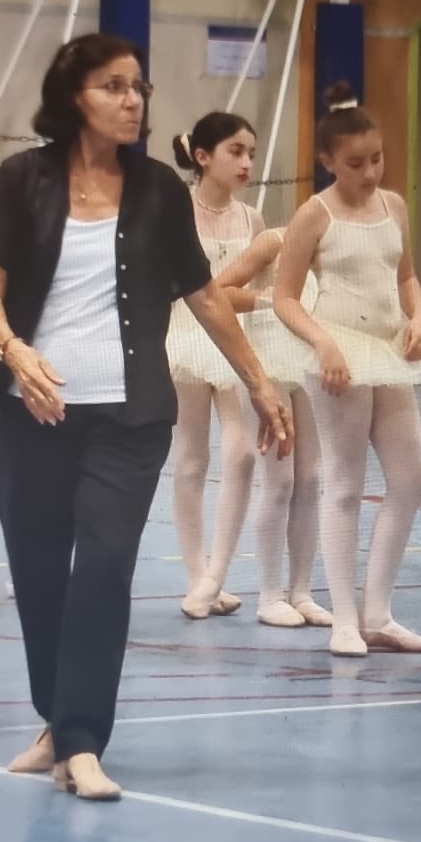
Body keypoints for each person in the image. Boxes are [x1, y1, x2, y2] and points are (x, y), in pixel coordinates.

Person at [0, 34, 290, 800]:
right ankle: (57, 720)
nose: (132, 99)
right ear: (74, 96)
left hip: (131, 415)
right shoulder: (23, 179)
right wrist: (14, 351)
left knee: (104, 571)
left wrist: (260, 381)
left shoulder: (157, 190)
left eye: (138, 86)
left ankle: (81, 742)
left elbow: (203, 294)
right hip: (34, 410)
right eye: (113, 85)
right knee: (39, 573)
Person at [275, 84, 421, 656]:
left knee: (411, 478)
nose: (370, 172)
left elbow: (406, 276)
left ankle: (378, 613)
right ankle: (344, 618)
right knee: (345, 483)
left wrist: (419, 317)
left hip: (387, 352)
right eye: (355, 164)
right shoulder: (314, 214)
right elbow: (285, 297)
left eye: (377, 159)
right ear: (328, 161)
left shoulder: (393, 206)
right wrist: (323, 343)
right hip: (339, 356)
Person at [167, 111, 267, 619]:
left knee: (243, 454)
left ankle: (214, 578)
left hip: (234, 344)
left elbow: (254, 291)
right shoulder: (176, 211)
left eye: (251, 153)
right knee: (191, 459)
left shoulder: (253, 220)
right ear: (203, 157)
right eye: (236, 151)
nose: (246, 162)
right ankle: (196, 575)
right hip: (183, 340)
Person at [225, 225, 328, 628]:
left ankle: (301, 591)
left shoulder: (330, 248)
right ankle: (270, 595)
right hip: (268, 366)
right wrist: (261, 299)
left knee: (311, 479)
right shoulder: (275, 241)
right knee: (280, 481)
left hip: (308, 367)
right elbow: (219, 292)